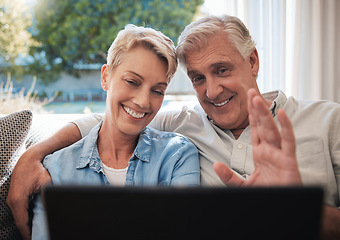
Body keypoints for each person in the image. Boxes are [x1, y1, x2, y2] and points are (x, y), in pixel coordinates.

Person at [8, 15, 340, 239]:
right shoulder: (181, 124)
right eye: (198, 78)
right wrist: (32, 155)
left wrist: (299, 212)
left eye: (222, 70)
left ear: (252, 61)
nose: (211, 91)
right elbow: (107, 122)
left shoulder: (329, 122)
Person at [29, 24, 200, 240]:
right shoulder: (55, 169)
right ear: (105, 77)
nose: (143, 101)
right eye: (132, 81)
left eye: (157, 91)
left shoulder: (177, 156)